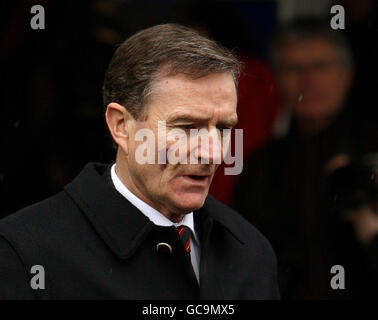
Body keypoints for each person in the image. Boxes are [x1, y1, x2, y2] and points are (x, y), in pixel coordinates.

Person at [0, 24, 279, 299]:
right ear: (121, 125)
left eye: (222, 129)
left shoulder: (249, 251)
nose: (213, 153)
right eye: (186, 127)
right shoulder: (26, 252)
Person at [233, 19, 378, 299]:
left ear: (347, 74)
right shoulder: (260, 164)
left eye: (321, 66)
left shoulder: (371, 149)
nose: (308, 80)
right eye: (293, 68)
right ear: (276, 79)